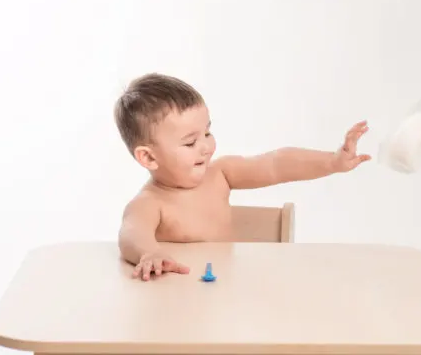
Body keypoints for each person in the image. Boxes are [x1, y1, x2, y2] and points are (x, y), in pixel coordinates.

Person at [113, 73, 371, 281]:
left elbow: (275, 164)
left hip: (228, 293)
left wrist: (332, 161)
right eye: (190, 142)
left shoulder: (221, 174)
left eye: (207, 133)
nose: (205, 146)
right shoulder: (149, 203)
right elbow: (132, 233)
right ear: (149, 158)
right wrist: (150, 252)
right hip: (179, 305)